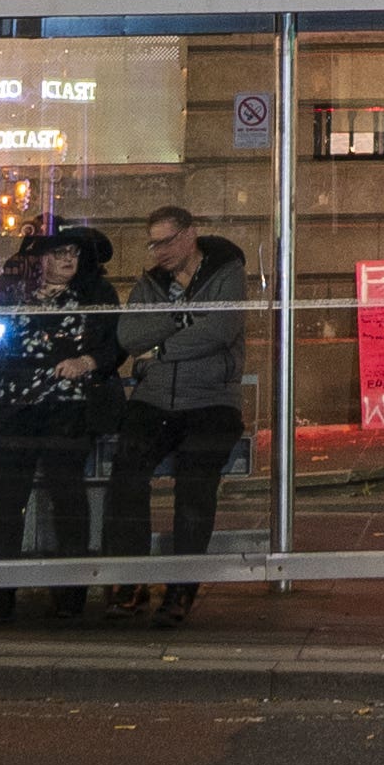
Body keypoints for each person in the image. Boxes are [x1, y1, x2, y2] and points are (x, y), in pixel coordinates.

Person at [0, 222, 115, 624]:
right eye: (58, 253)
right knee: (9, 498)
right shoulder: (9, 295)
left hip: (67, 407)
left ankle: (70, 593)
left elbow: (113, 344)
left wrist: (87, 362)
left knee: (68, 496)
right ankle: (0, 592)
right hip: (14, 408)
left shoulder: (94, 295)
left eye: (74, 254)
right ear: (38, 259)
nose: (68, 260)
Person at [103, 200, 251, 623]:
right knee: (127, 475)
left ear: (189, 236)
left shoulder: (227, 274)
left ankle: (181, 587)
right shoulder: (150, 283)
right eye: (153, 245)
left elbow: (220, 331)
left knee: (196, 485)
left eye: (166, 242)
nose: (159, 252)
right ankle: (130, 579)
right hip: (152, 400)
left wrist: (163, 346)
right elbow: (131, 336)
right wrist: (186, 321)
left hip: (210, 399)